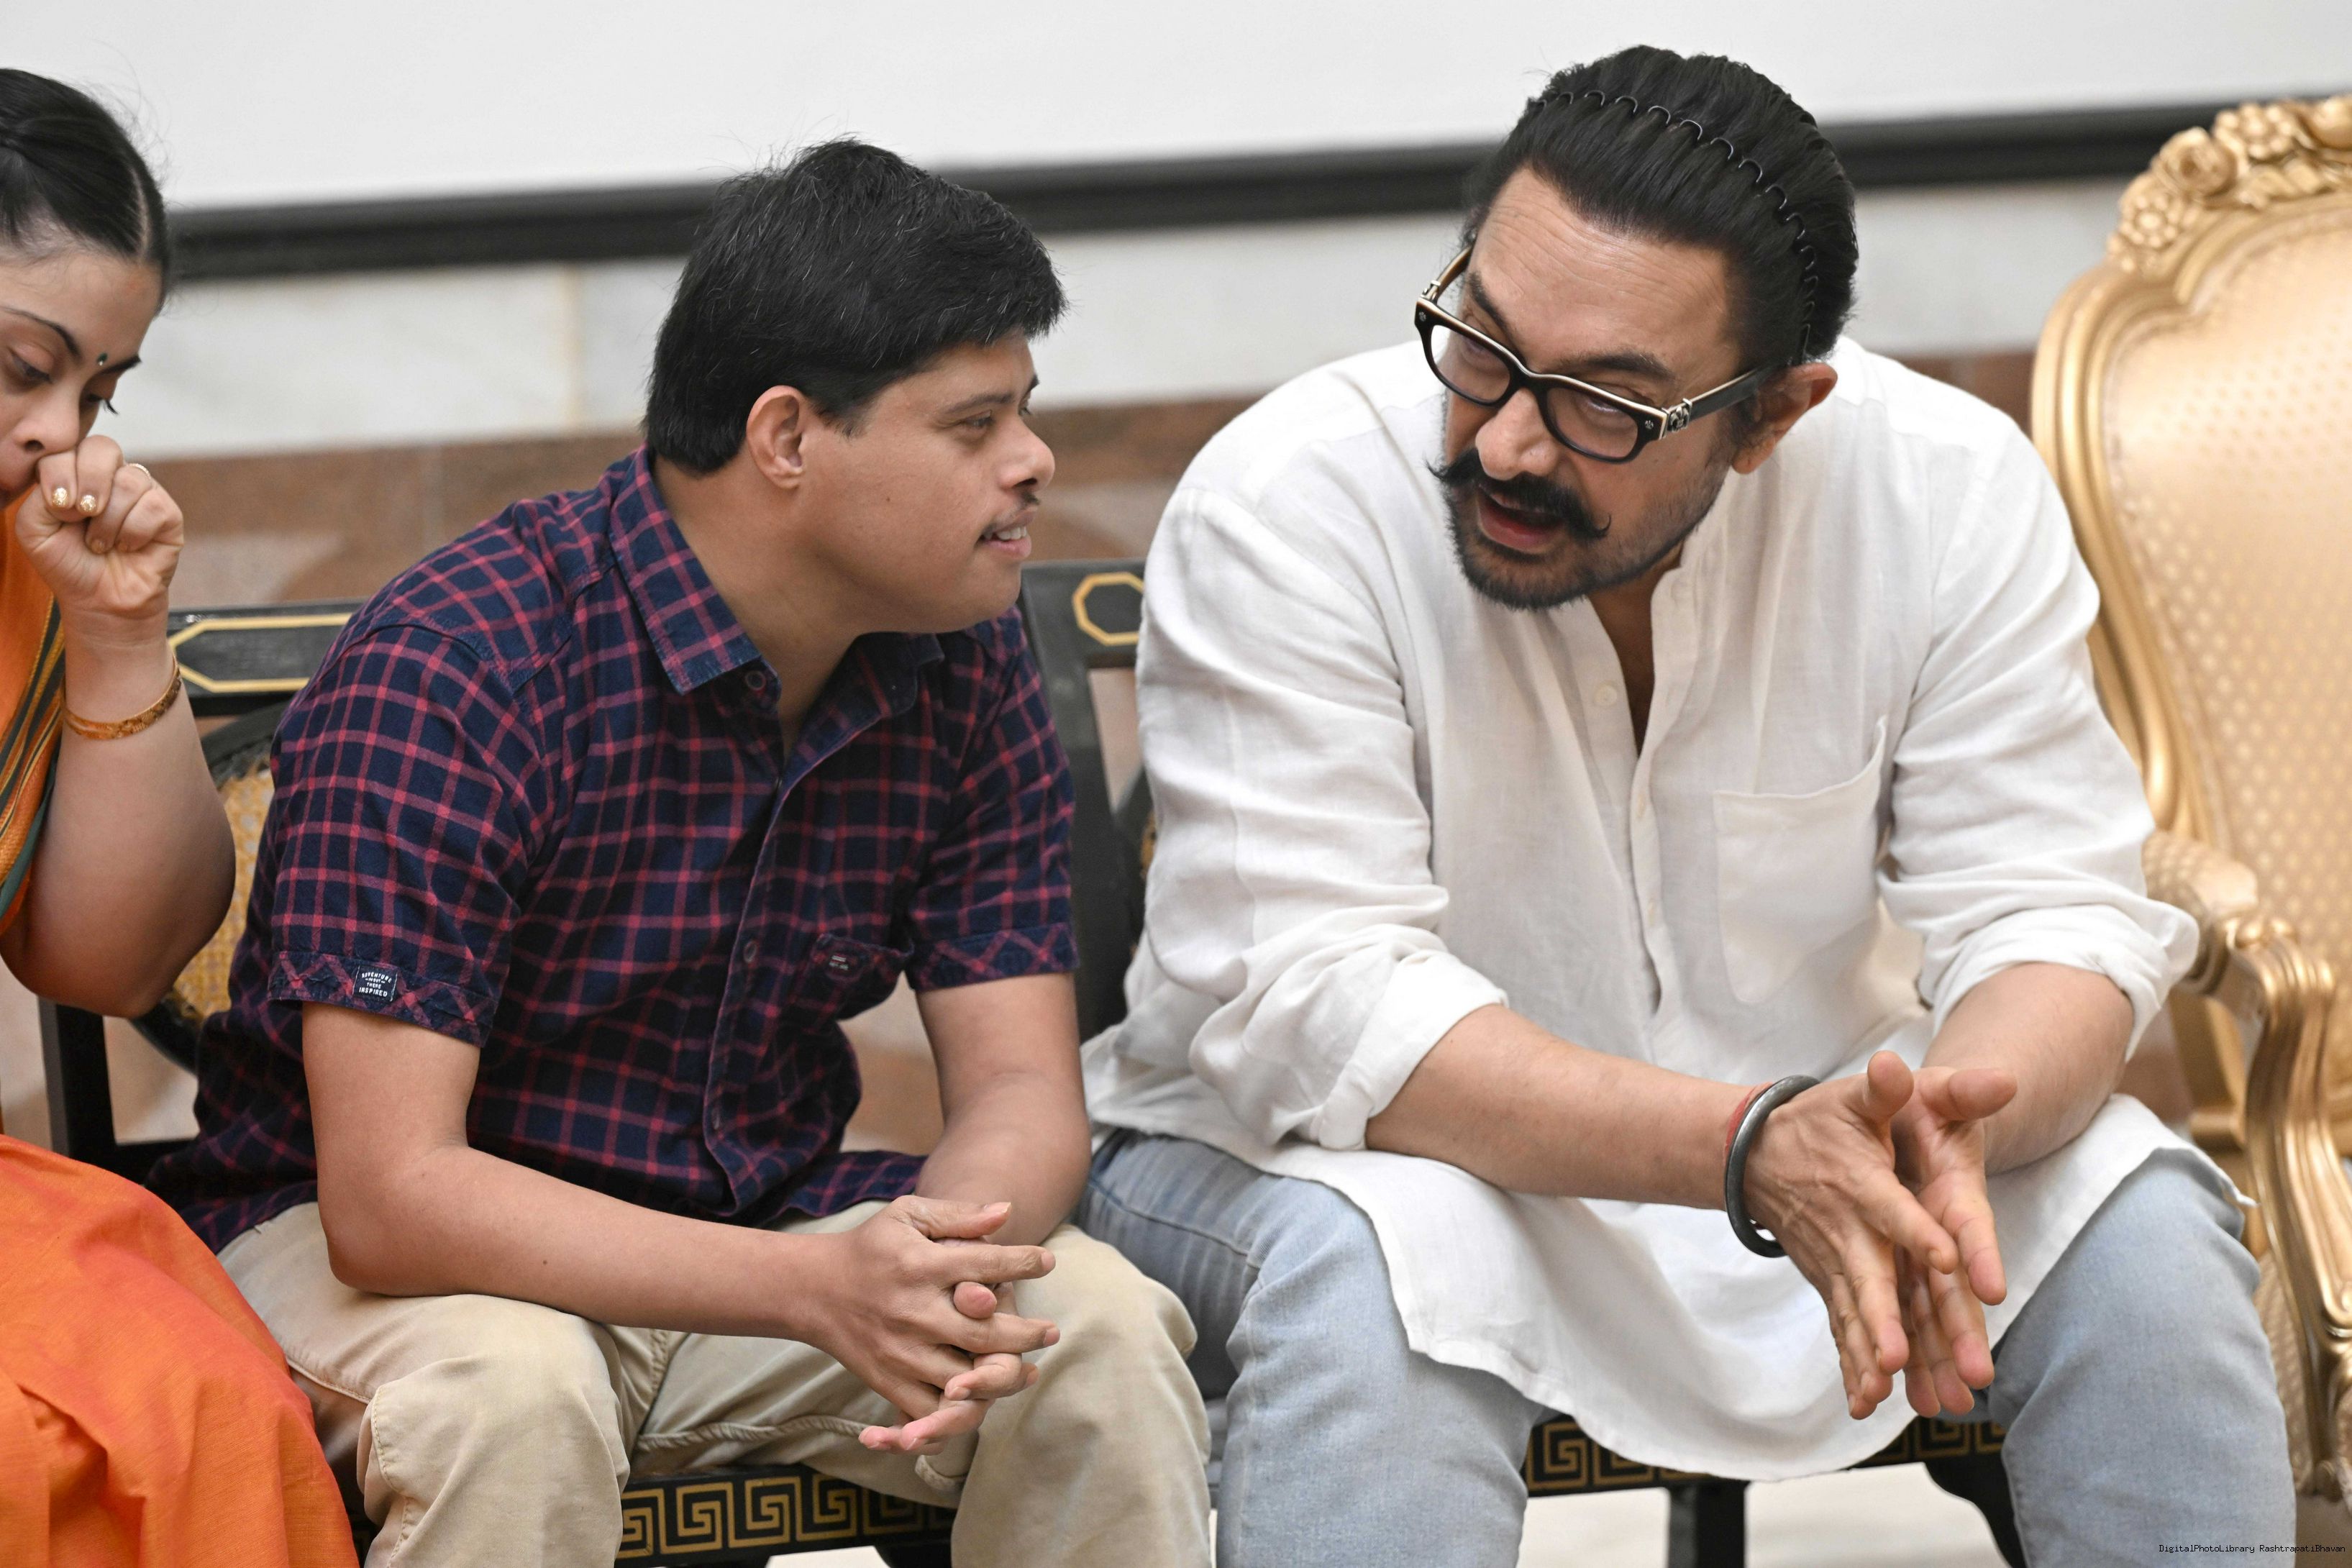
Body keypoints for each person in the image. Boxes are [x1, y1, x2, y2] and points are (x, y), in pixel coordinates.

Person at [1078, 45, 2292, 1567]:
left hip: (1827, 1144)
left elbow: (2050, 904)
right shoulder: (1291, 501)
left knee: (2140, 1222)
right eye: (1482, 343)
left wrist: (1946, 1132)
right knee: (1391, 1260)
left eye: (1605, 404)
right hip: (1342, 1155)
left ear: (1771, 415)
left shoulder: (1944, 488)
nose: (1505, 440)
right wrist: (1748, 1143)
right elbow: (1321, 1007)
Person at [149, 140, 1210, 1567]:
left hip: (756, 1235)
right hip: (398, 1267)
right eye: (975, 425)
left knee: (1097, 1334)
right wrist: (811, 1288)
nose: (1034, 462)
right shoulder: (464, 660)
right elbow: (394, 1199)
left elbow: (1022, 1086)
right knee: (511, 1397)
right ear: (787, 439)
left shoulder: (961, 652)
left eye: (1027, 411)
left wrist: (928, 1270)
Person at [0, 68, 356, 1567]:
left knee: (198, 1404)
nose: (59, 437)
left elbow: (114, 961)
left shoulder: (23, 575)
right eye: (22, 367)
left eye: (98, 395)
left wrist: (119, 634)